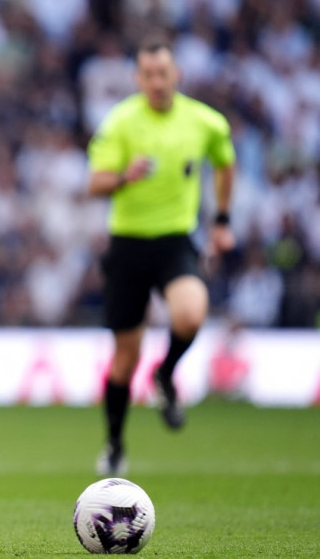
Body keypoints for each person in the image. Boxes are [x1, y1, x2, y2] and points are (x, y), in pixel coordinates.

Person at [86, 34, 236, 476]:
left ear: (178, 75)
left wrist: (223, 219)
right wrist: (123, 178)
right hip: (129, 244)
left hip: (174, 241)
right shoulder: (120, 123)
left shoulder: (205, 122)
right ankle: (114, 443)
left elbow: (225, 162)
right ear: (138, 77)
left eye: (163, 73)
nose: (156, 81)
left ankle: (166, 375)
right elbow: (95, 183)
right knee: (124, 358)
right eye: (148, 74)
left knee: (190, 315)